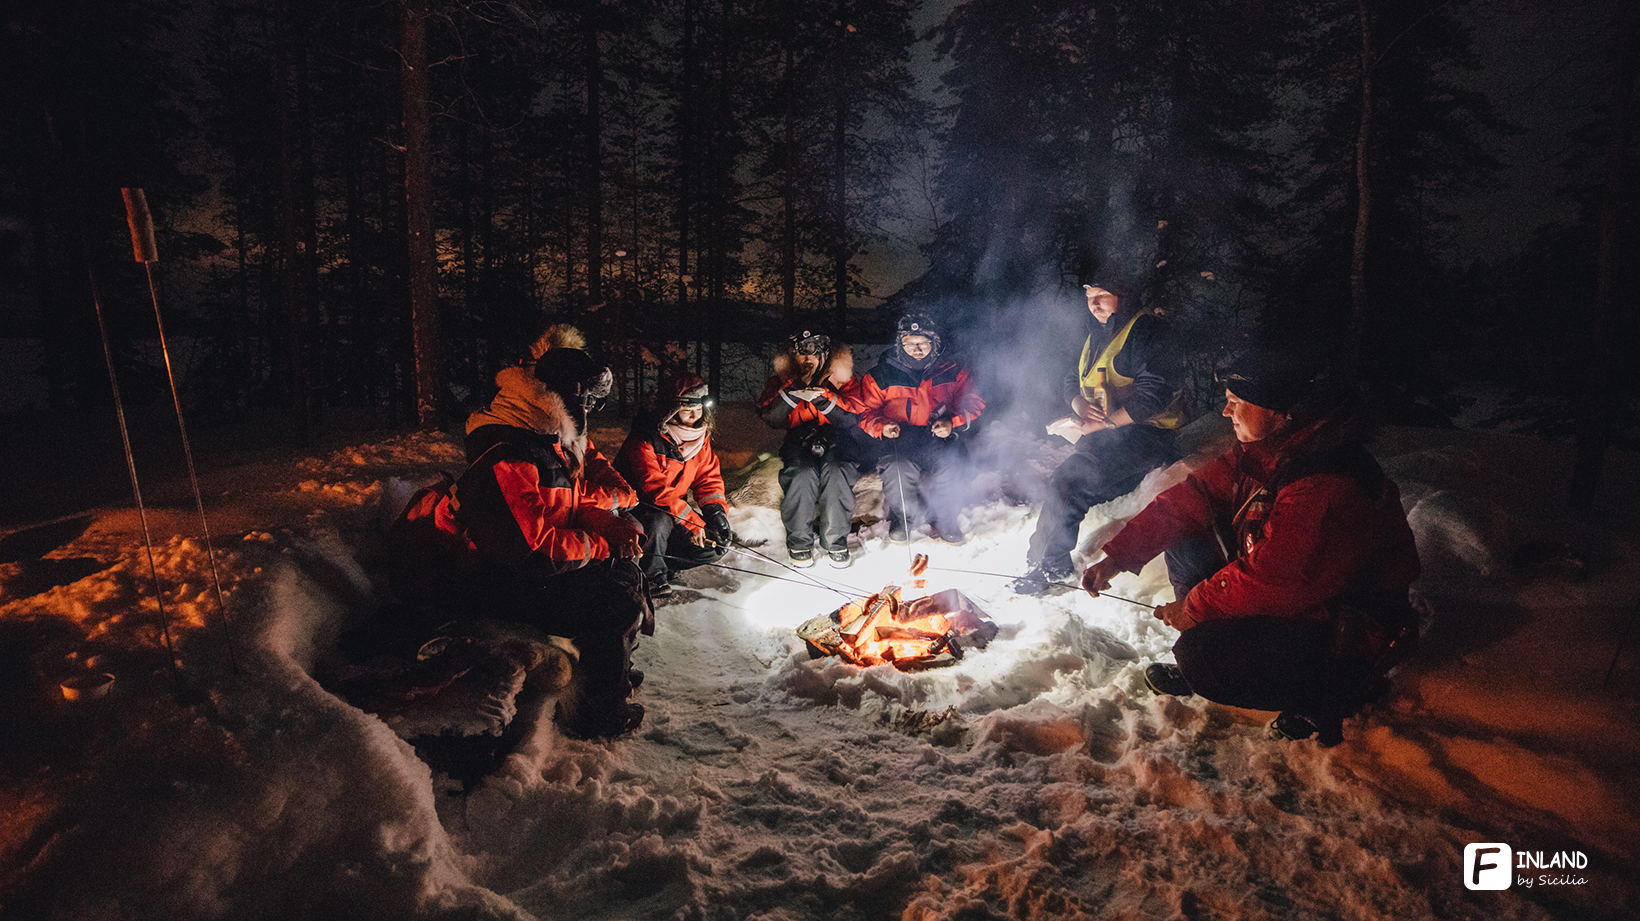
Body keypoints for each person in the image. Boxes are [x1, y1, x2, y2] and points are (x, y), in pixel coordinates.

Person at [1080, 349, 1421, 745]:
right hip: (1299, 604)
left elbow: (1279, 578)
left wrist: (1195, 607)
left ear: (1279, 411)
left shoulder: (1325, 478)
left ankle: (1333, 690)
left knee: (1204, 658)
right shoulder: (1270, 452)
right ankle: (1215, 653)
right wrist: (1119, 557)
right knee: (1184, 535)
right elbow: (1193, 498)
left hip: (1348, 627)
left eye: (1236, 402)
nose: (1226, 412)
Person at [442, 346, 650, 740]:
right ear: (567, 397)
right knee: (611, 599)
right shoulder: (511, 451)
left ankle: (607, 674)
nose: (590, 408)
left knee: (622, 574)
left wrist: (605, 525)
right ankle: (597, 716)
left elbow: (566, 504)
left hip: (521, 569)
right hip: (496, 580)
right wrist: (604, 543)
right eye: (586, 399)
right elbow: (533, 550)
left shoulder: (545, 436)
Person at [1014, 278, 1188, 593]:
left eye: (1103, 295)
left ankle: (1051, 568)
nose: (1094, 304)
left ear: (1126, 295)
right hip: (1107, 438)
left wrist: (1106, 424)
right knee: (1066, 481)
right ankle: (1039, 559)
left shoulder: (1150, 333)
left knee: (1070, 481)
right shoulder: (1099, 333)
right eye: (1090, 296)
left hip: (1147, 438)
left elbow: (1155, 395)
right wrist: (1077, 402)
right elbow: (1072, 375)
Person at [854, 313, 985, 543]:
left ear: (934, 343)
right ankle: (903, 516)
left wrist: (952, 423)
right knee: (897, 467)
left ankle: (945, 517)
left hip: (939, 435)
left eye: (923, 343)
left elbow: (974, 401)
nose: (916, 349)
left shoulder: (953, 368)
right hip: (901, 437)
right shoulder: (881, 374)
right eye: (909, 343)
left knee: (953, 465)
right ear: (900, 344)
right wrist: (883, 427)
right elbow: (865, 412)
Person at [615, 373, 734, 596]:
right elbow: (655, 490)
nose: (694, 414)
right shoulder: (645, 439)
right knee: (658, 520)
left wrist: (716, 513)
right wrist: (692, 522)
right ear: (670, 408)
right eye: (687, 407)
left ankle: (660, 561)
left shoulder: (700, 438)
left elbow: (708, 479)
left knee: (715, 545)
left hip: (674, 513)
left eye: (698, 407)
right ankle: (651, 578)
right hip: (639, 511)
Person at [757, 329, 863, 568]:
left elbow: (852, 417)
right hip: (799, 436)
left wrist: (821, 399)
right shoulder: (782, 381)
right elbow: (770, 416)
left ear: (825, 354)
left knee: (837, 471)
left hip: (839, 437)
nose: (807, 359)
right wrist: (794, 392)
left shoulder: (842, 378)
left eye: (813, 353)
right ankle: (799, 542)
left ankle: (835, 541)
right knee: (801, 474)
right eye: (801, 354)